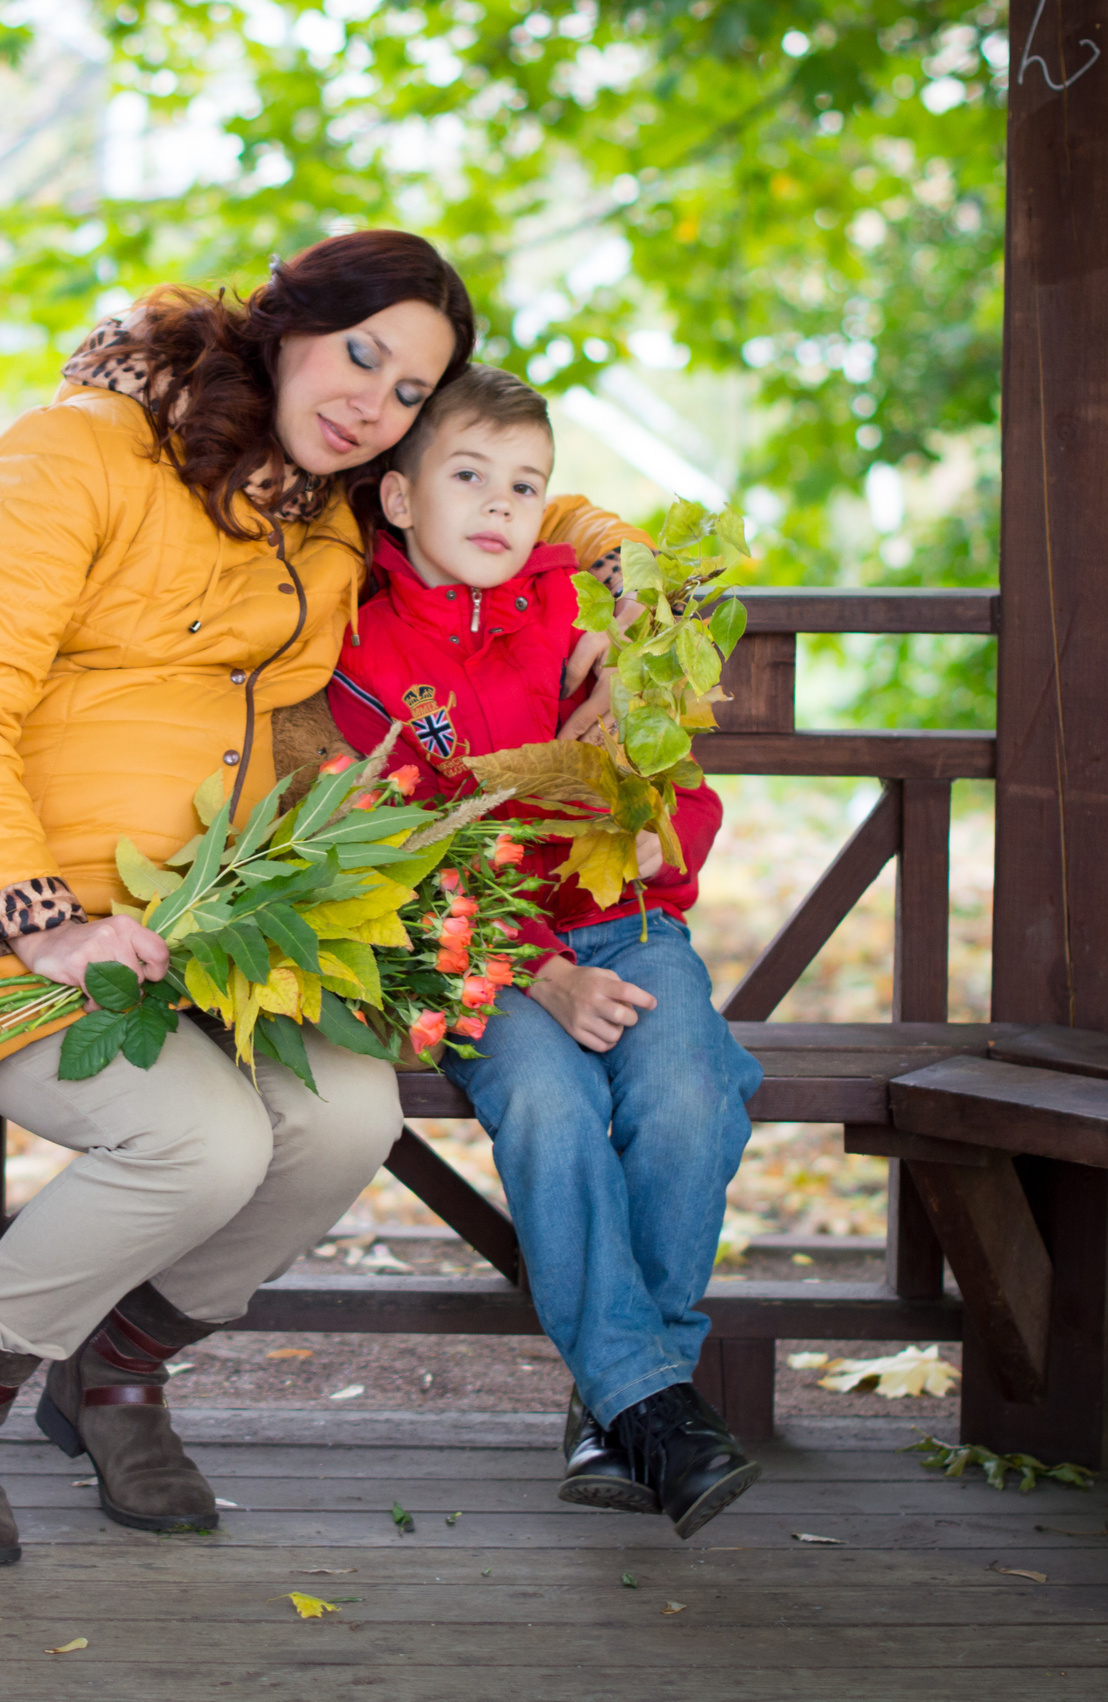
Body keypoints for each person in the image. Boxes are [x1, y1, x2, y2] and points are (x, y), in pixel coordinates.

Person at [0, 232, 639, 1569]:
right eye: (361, 354)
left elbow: (523, 503)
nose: (371, 401)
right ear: (284, 325)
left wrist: (619, 565)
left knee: (346, 1118)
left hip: (206, 928)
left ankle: (114, 1373)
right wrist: (40, 917)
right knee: (203, 1143)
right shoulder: (75, 455)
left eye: (406, 393)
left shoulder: (326, 513)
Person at [321, 366, 766, 1539]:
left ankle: (620, 1402)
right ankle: (650, 1405)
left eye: (525, 485)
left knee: (691, 1092)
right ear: (400, 499)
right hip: (486, 959)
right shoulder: (364, 649)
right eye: (467, 477)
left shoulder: (588, 609)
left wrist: (649, 784)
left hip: (629, 925)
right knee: (552, 1106)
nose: (498, 506)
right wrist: (544, 972)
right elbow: (403, 859)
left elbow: (681, 801)